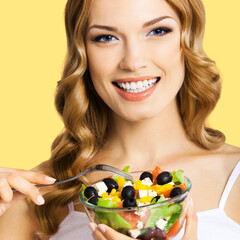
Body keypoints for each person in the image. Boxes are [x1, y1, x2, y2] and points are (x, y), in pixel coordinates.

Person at [0, 0, 239, 239]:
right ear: (82, 50)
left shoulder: (234, 178)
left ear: (189, 38)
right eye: (106, 37)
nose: (133, 62)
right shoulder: (35, 193)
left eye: (158, 31)